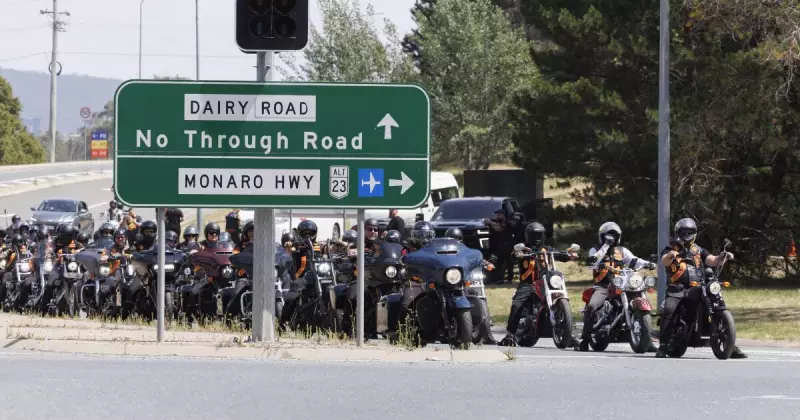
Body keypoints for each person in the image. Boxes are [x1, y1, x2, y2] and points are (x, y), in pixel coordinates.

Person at [656, 217, 747, 358]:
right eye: (684, 232)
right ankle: (662, 346)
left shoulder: (697, 249)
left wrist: (723, 256)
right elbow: (664, 262)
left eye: (689, 232)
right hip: (677, 288)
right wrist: (670, 255)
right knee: (669, 310)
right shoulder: (670, 248)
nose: (687, 235)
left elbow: (712, 260)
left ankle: (730, 344)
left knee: (715, 303)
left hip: (698, 287)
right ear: (677, 233)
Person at [574, 222, 656, 351]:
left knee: (640, 295)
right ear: (602, 237)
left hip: (622, 284)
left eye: (613, 236)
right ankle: (584, 339)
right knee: (592, 305)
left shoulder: (622, 251)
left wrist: (648, 263)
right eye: (607, 236)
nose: (610, 238)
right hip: (603, 286)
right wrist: (605, 246)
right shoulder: (595, 250)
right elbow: (592, 260)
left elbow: (633, 260)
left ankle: (647, 341)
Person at [498, 222, 578, 347]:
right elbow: (514, 256)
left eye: (540, 235)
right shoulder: (523, 249)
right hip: (528, 283)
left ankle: (568, 334)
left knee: (562, 299)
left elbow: (560, 255)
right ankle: (510, 334)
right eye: (535, 235)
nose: (537, 238)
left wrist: (569, 255)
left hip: (546, 282)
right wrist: (517, 255)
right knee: (517, 304)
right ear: (528, 236)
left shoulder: (547, 249)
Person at [484, 209, 514, 284]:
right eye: (496, 215)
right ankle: (499, 278)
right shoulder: (496, 222)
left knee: (508, 263)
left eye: (499, 215)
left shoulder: (507, 223)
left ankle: (509, 278)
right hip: (498, 247)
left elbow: (498, 229)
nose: (497, 216)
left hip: (507, 246)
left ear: (503, 215)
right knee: (498, 263)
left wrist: (490, 223)